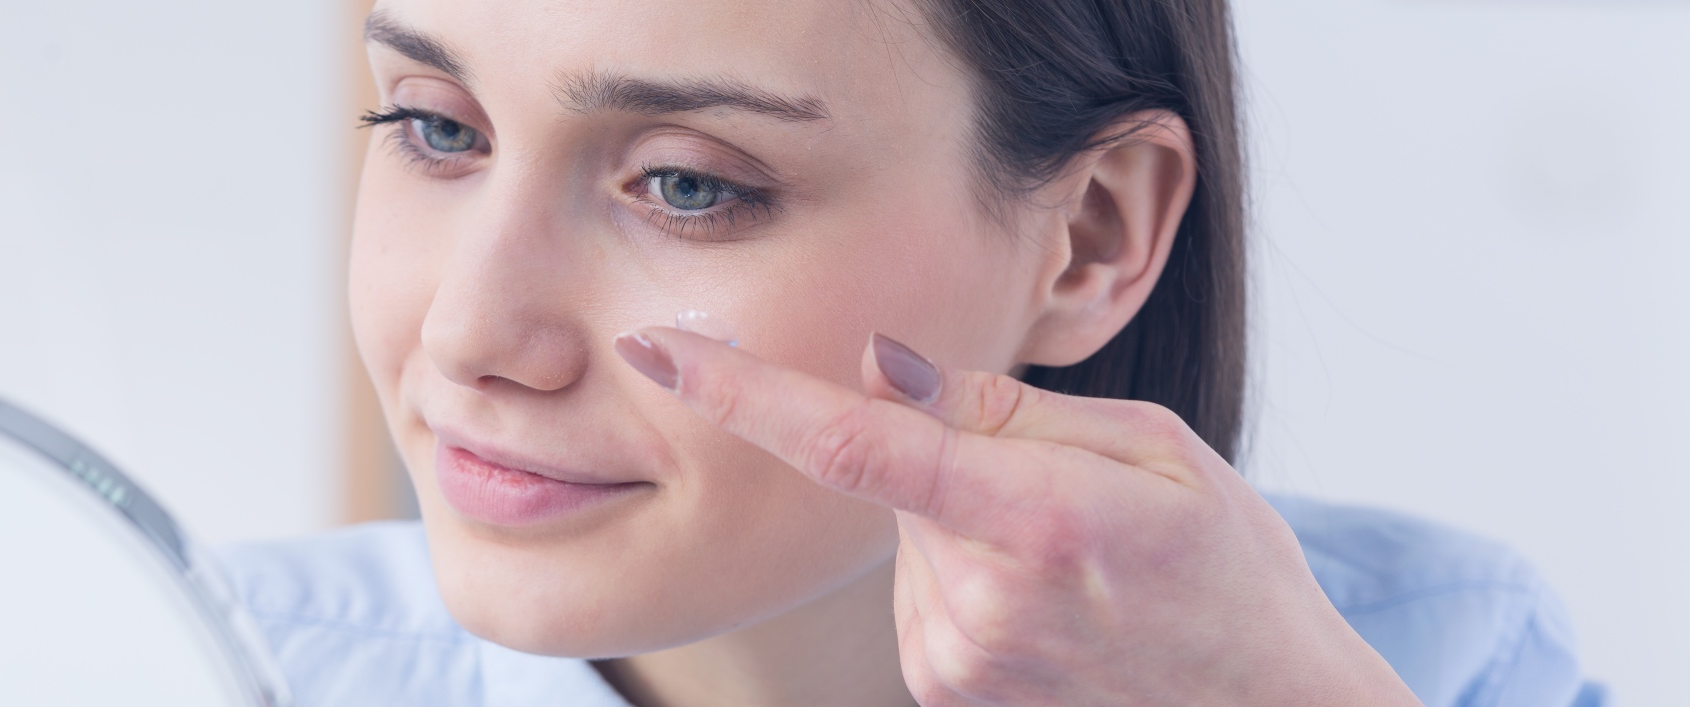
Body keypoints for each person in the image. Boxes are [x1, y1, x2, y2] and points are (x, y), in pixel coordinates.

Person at [213, 0, 1604, 704]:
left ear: (1090, 238)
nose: (468, 334)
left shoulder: (1443, 655)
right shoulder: (172, 663)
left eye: (688, 184)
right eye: (436, 128)